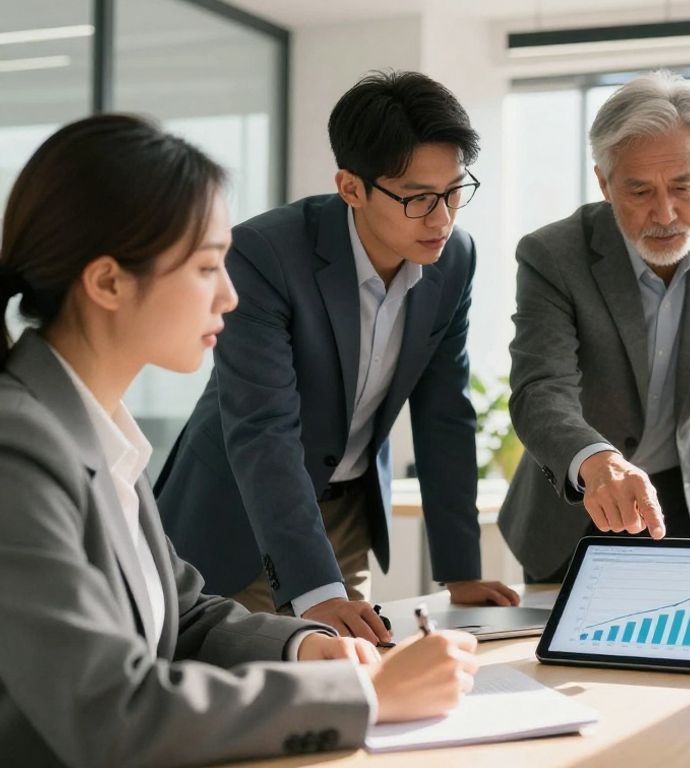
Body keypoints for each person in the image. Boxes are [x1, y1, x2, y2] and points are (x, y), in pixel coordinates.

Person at [0, 114, 480, 766]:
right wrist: (365, 697)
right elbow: (111, 711)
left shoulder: (99, 431)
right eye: (205, 268)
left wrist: (302, 646)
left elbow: (185, 615)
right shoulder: (18, 452)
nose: (229, 297)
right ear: (108, 282)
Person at [156, 70, 517, 643]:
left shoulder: (454, 258)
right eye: (419, 198)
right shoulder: (264, 254)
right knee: (245, 687)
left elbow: (445, 409)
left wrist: (460, 569)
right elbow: (263, 428)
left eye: (454, 191)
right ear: (351, 187)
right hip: (241, 509)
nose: (443, 218)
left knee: (352, 681)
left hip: (347, 508)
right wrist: (315, 589)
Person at [499, 70, 690, 582]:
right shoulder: (552, 255)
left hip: (684, 504)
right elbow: (541, 390)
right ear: (604, 183)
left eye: (683, 186)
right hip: (575, 502)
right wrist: (597, 461)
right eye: (640, 191)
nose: (666, 212)